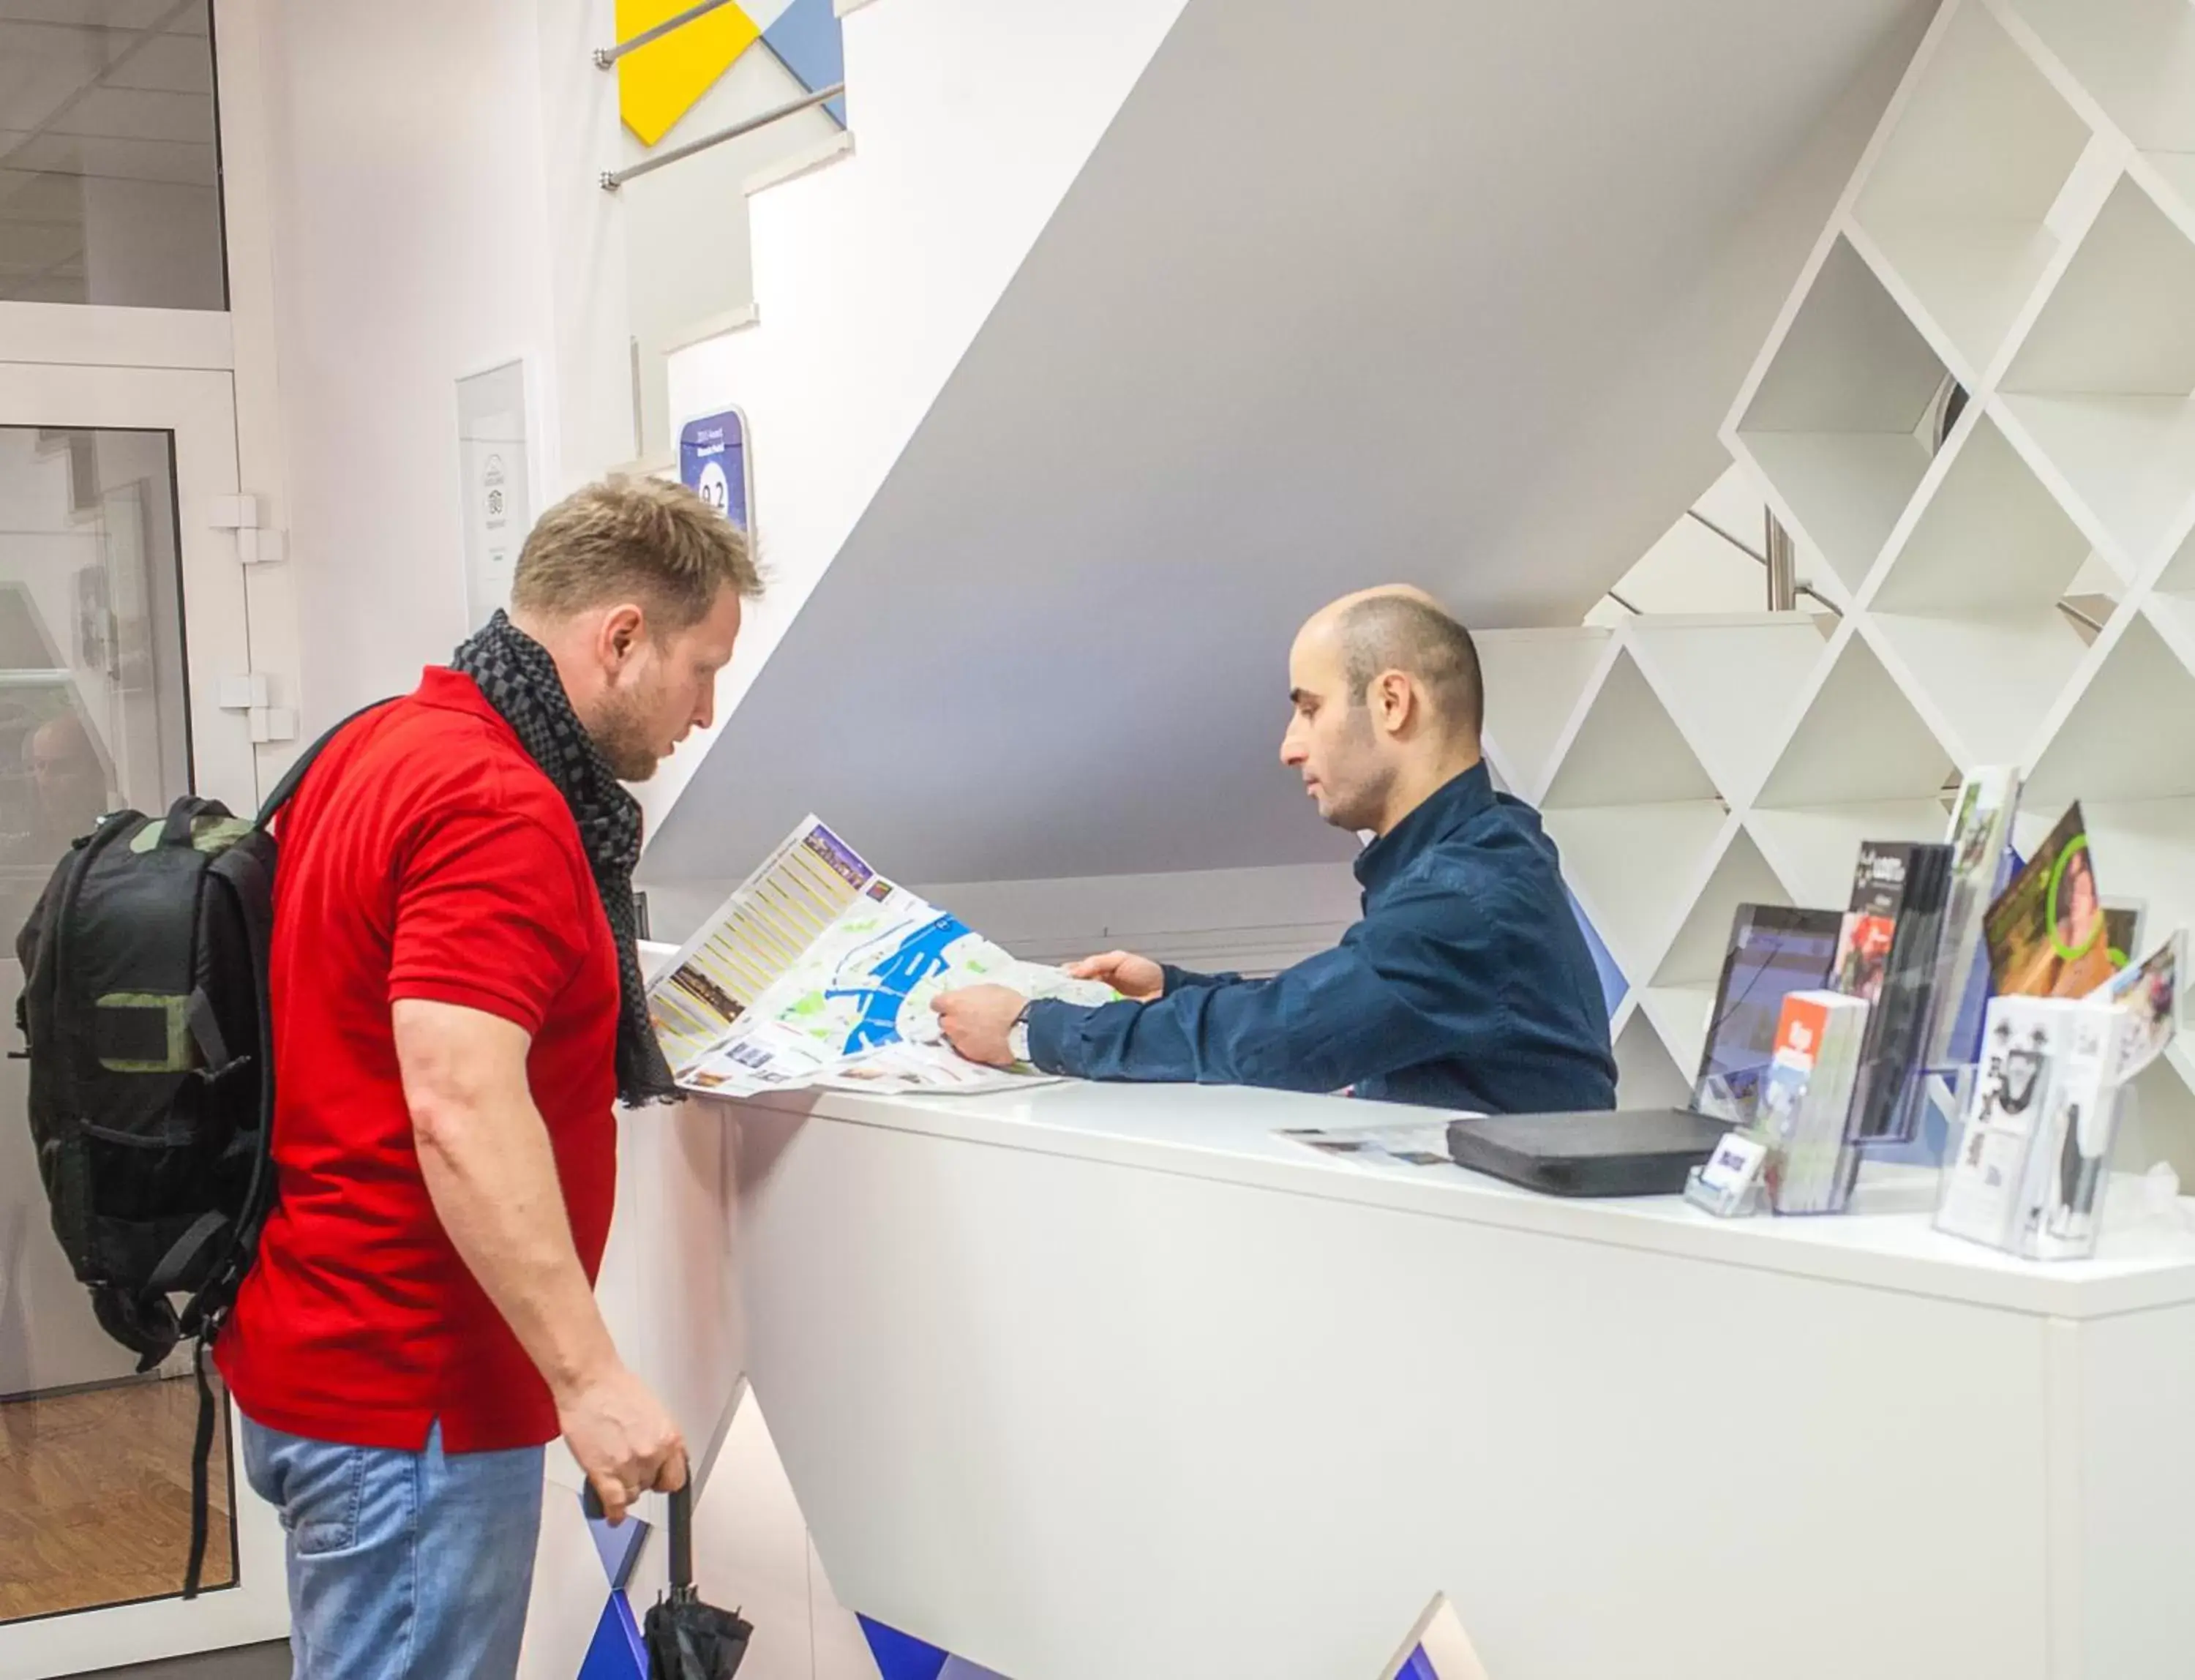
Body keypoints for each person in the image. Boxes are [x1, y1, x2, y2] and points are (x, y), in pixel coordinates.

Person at [216, 477, 762, 1680]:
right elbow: (459, 1100)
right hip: (414, 1390)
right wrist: (591, 1374)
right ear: (619, 638)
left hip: (332, 1346)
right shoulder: (496, 804)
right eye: (700, 668)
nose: (707, 712)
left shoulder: (381, 741)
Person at [932, 586, 1616, 1114]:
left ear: (1392, 703)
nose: (1290, 746)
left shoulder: (1465, 897)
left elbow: (1281, 1042)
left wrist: (1030, 1030)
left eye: (1310, 709)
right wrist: (1175, 988)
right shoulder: (1482, 847)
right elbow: (1336, 1005)